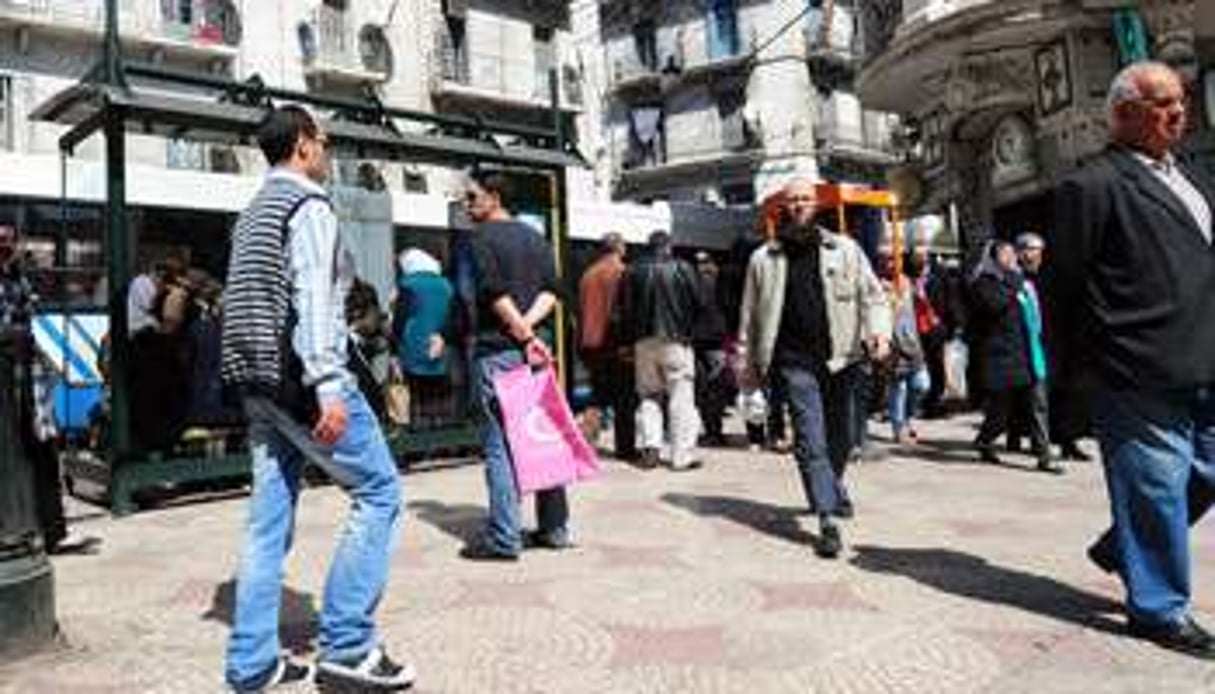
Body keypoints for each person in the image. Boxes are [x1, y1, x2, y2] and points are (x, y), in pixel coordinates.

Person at [220, 105, 413, 692]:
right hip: (302, 380)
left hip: (253, 381)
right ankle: (348, 646)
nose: (326, 152)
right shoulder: (308, 206)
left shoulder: (252, 211)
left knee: (266, 522)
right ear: (303, 145)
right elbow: (316, 301)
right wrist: (329, 385)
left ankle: (253, 662)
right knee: (378, 491)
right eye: (323, 142)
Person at [1051, 62, 1215, 658]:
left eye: (1181, 99)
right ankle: (1157, 609)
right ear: (1123, 113)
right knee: (1156, 487)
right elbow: (1064, 287)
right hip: (1135, 366)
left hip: (1204, 358)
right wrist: (1079, 373)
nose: (1178, 111)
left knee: (1200, 475)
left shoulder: (1192, 178)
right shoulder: (1090, 185)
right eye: (1162, 102)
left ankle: (1126, 548)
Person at [738, 178, 890, 558]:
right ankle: (826, 520)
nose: (800, 205)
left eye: (806, 199)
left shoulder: (846, 249)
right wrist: (748, 362)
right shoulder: (763, 259)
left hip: (842, 359)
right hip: (793, 363)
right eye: (793, 201)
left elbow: (874, 297)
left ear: (817, 205)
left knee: (842, 437)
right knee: (810, 438)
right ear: (783, 209)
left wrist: (879, 333)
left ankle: (832, 486)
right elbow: (750, 318)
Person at [460, 167, 572, 561]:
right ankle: (555, 528)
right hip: (536, 349)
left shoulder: (480, 240)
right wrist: (532, 332)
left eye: (471, 196)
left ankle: (505, 538)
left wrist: (520, 332)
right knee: (542, 435)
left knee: (501, 447)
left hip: (500, 350)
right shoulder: (534, 236)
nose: (466, 203)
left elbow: (493, 292)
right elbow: (553, 290)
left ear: (494, 197)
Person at [969, 240, 1060, 474]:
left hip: (1030, 353)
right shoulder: (984, 282)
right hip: (1003, 357)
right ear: (992, 258)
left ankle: (1044, 456)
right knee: (1001, 411)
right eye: (1004, 254)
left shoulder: (1022, 282)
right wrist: (1014, 281)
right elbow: (995, 306)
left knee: (1038, 406)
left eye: (1012, 253)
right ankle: (985, 440)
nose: (1011, 258)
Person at [618, 231, 703, 471]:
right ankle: (681, 456)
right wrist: (689, 330)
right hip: (677, 340)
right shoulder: (683, 268)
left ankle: (651, 449)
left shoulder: (633, 270)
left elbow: (624, 310)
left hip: (644, 341)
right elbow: (699, 303)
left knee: (648, 395)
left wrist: (628, 342)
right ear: (669, 247)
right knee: (681, 395)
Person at [576, 232, 636, 459]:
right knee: (624, 398)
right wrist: (628, 344)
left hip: (590, 345)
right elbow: (623, 312)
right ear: (619, 248)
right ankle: (625, 448)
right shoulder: (621, 272)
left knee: (598, 396)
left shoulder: (588, 274)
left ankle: (586, 444)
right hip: (614, 344)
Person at [393, 248, 453, 428]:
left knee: (415, 386)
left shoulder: (408, 284)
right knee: (436, 387)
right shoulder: (446, 285)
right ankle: (438, 424)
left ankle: (417, 424)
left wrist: (394, 345)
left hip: (413, 340)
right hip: (439, 340)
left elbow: (401, 317)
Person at [692, 251, 730, 447]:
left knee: (702, 388)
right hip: (716, 341)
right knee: (715, 387)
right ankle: (715, 431)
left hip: (697, 341)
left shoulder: (692, 283)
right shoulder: (721, 282)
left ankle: (710, 430)